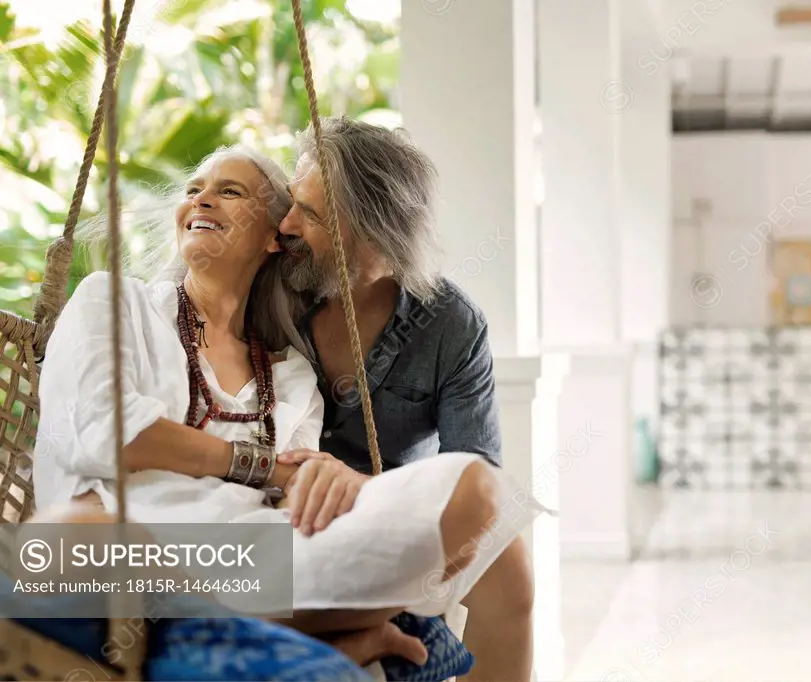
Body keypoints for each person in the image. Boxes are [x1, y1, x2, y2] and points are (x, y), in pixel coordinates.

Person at [31, 145, 541, 670]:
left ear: (275, 238)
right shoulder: (112, 302)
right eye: (193, 190)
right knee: (64, 538)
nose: (202, 200)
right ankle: (329, 633)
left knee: (476, 493)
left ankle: (291, 623)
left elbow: (292, 504)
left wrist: (330, 485)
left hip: (262, 560)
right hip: (124, 545)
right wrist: (264, 467)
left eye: (229, 192)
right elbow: (109, 434)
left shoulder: (291, 372)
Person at [276, 117, 535, 682]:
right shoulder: (276, 293)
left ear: (372, 232)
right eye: (294, 203)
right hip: (281, 511)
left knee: (510, 563)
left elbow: (478, 476)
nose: (287, 224)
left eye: (312, 214)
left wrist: (368, 492)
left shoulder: (450, 324)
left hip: (393, 517)